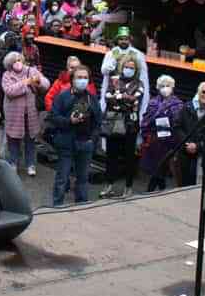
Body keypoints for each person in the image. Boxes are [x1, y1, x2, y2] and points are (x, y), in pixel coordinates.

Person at [48, 64, 102, 207]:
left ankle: (81, 205)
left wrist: (92, 139)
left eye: (85, 77)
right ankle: (57, 206)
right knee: (62, 178)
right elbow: (53, 117)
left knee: (83, 178)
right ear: (72, 79)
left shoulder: (92, 98)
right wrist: (69, 121)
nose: (82, 80)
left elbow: (98, 121)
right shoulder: (63, 97)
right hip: (66, 143)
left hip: (85, 143)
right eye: (79, 77)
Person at [101, 56, 144, 198]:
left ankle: (128, 187)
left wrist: (119, 98)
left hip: (130, 125)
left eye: (132, 68)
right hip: (114, 122)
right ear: (121, 67)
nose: (128, 69)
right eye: (126, 67)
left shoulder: (139, 84)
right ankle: (109, 185)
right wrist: (124, 99)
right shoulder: (114, 80)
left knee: (129, 157)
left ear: (136, 70)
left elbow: (135, 100)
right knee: (111, 156)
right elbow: (108, 98)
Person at [1, 51, 49, 176]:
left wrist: (39, 81)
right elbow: (9, 91)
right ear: (9, 64)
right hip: (14, 114)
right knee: (13, 139)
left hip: (31, 113)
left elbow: (46, 84)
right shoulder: (6, 75)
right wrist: (25, 83)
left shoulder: (31, 71)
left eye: (19, 60)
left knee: (30, 139)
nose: (17, 63)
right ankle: (13, 163)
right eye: (14, 61)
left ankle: (30, 164)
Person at [140, 75, 183, 191]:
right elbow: (146, 120)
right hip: (154, 141)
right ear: (158, 88)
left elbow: (179, 124)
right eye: (162, 86)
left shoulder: (178, 104)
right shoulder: (153, 102)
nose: (165, 88)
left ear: (172, 87)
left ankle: (150, 191)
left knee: (160, 169)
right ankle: (161, 190)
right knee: (156, 169)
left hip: (168, 142)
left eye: (168, 86)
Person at [99, 26, 150, 122]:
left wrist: (143, 99)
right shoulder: (111, 53)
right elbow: (104, 72)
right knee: (111, 121)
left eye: (126, 39)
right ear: (117, 40)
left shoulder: (137, 54)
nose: (123, 41)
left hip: (131, 92)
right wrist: (109, 66)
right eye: (121, 39)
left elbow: (144, 79)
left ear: (130, 39)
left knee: (129, 122)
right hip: (113, 92)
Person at [175, 82, 205, 187]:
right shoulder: (186, 108)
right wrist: (187, 144)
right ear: (198, 92)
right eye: (204, 92)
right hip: (185, 156)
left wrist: (197, 146)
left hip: (204, 159)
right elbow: (177, 127)